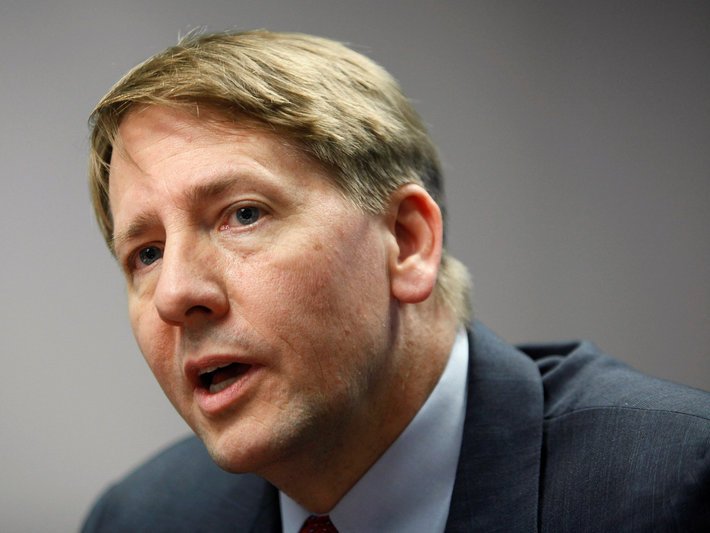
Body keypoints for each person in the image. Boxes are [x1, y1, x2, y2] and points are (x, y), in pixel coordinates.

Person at [82, 30, 709, 532]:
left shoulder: (676, 484)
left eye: (243, 215)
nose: (175, 294)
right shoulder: (139, 518)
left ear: (408, 242)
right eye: (146, 253)